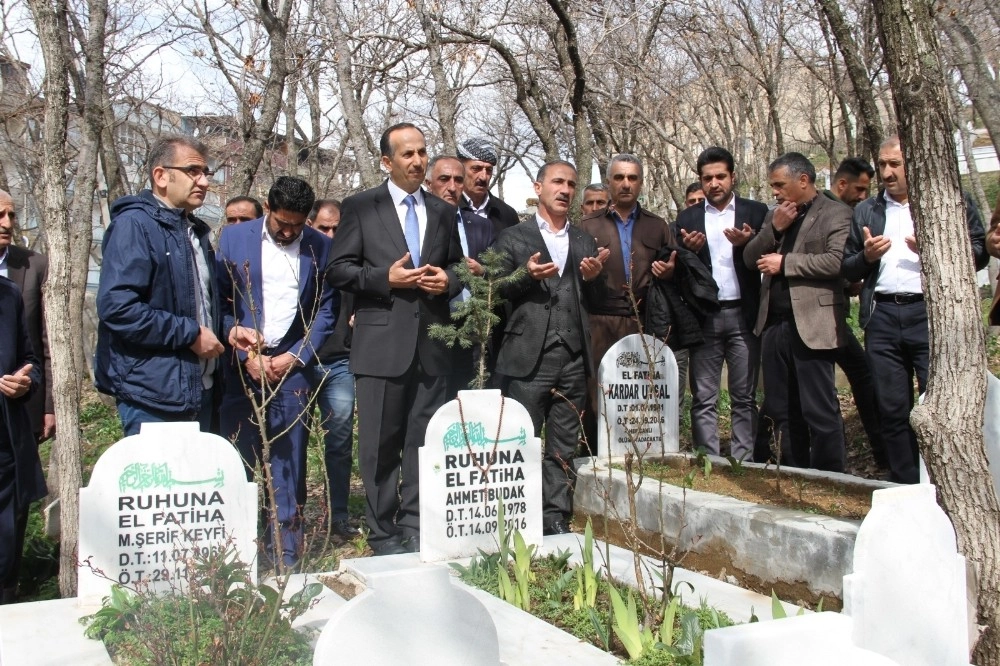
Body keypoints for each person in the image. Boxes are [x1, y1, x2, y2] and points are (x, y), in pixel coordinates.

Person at [327, 123, 463, 556]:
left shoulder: (442, 212)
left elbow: (458, 266)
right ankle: (383, 532)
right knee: (380, 446)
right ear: (387, 161)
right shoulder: (361, 207)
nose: (418, 161)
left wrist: (450, 280)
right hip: (381, 346)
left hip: (433, 346)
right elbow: (338, 270)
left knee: (423, 443)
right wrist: (383, 278)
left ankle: (415, 524)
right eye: (407, 154)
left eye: (422, 152)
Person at [842, 136, 987, 483]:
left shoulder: (949, 202)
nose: (887, 173)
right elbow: (846, 268)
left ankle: (950, 481)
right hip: (883, 317)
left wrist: (938, 249)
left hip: (932, 315)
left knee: (941, 405)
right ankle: (906, 481)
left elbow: (979, 251)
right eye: (883, 165)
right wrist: (866, 257)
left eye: (896, 164)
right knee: (892, 408)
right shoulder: (867, 210)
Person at [217, 177, 336, 569]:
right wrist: (242, 348)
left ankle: (286, 555)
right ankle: (237, 554)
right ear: (267, 208)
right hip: (241, 365)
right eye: (282, 223)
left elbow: (325, 311)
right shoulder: (235, 240)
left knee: (289, 462)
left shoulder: (321, 247)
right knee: (239, 458)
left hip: (291, 368)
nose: (288, 232)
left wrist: (297, 357)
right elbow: (219, 302)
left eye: (296, 226)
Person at [493, 160, 608, 536]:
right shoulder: (513, 237)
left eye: (571, 185)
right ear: (538, 186)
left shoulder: (583, 239)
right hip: (529, 355)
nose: (565, 190)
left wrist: (592, 280)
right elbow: (492, 291)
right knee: (522, 437)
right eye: (557, 182)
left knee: (564, 441)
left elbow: (592, 297)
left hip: (574, 355)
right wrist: (524, 275)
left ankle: (555, 515)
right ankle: (517, 514)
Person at [96, 136, 224, 436]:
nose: (204, 181)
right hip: (152, 397)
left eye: (207, 173)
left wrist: (229, 329)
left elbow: (198, 306)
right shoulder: (134, 225)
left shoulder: (195, 232)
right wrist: (190, 334)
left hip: (198, 390)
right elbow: (118, 309)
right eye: (193, 171)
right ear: (161, 175)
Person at [744, 152, 851, 472]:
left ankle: (832, 478)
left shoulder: (836, 213)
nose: (775, 192)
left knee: (819, 409)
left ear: (803, 180)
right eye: (772, 186)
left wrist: (785, 264)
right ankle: (793, 474)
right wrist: (773, 230)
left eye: (780, 184)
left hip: (813, 325)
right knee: (781, 408)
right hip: (774, 325)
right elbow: (750, 259)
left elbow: (836, 262)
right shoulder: (775, 215)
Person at [675, 147, 768, 461]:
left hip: (744, 312)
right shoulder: (688, 218)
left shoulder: (755, 213)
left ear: (732, 177)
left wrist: (749, 244)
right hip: (706, 317)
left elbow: (768, 256)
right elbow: (678, 269)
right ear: (700, 181)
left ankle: (744, 463)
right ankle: (709, 463)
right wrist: (688, 251)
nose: (714, 183)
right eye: (707, 178)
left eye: (720, 177)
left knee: (743, 396)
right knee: (703, 397)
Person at [580, 154, 675, 452]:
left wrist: (670, 273)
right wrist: (590, 274)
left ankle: (640, 459)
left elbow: (671, 275)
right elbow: (574, 277)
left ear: (641, 183)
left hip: (642, 322)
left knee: (639, 395)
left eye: (632, 178)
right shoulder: (586, 226)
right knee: (597, 396)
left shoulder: (658, 226)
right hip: (599, 321)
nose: (625, 184)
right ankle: (593, 459)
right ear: (608, 183)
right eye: (619, 178)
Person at [304, 199, 359, 541]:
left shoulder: (351, 260)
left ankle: (337, 516)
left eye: (337, 228)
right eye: (323, 227)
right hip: (298, 361)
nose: (330, 234)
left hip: (339, 361)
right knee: (289, 442)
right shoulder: (297, 257)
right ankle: (286, 519)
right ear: (310, 224)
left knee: (338, 440)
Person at [0, 277, 45, 604]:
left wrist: (25, 381)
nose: (5, 222)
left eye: (9, 218)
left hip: (6, 448)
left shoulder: (9, 293)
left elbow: (30, 359)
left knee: (5, 552)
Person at [0, 191, 54, 442]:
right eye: (0, 215)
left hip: (22, 410)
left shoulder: (35, 266)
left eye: (11, 215)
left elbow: (48, 344)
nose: (7, 223)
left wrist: (49, 406)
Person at [457, 138, 521, 230]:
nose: (483, 177)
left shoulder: (507, 214)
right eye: (476, 168)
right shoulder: (448, 208)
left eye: (489, 170)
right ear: (460, 169)